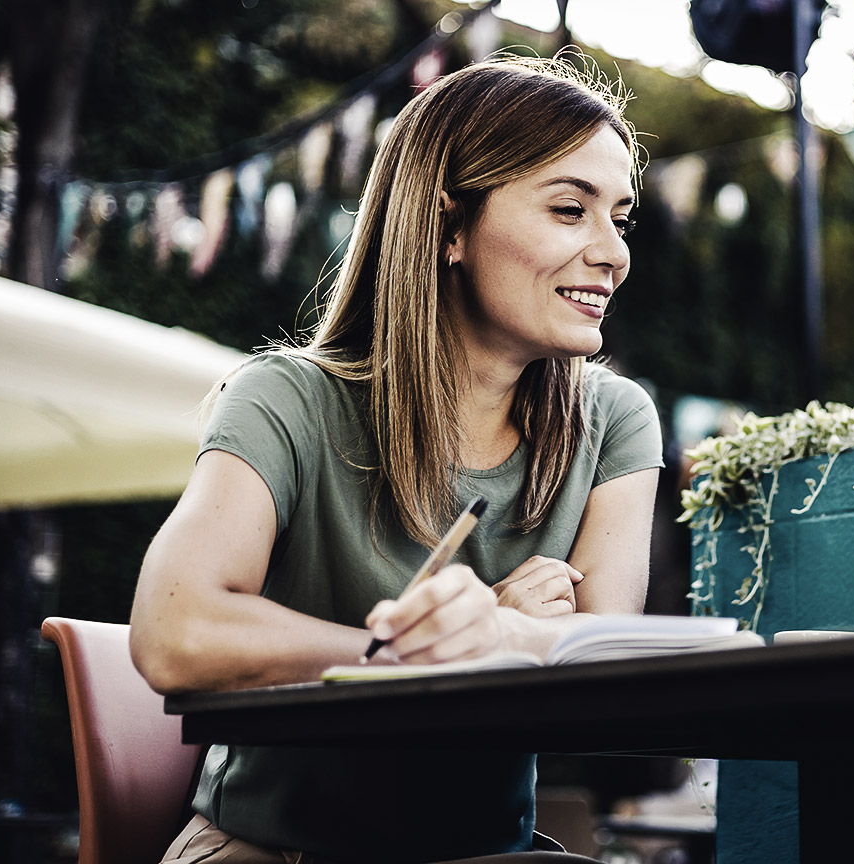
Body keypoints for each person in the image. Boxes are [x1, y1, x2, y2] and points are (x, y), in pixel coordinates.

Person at [129, 54, 663, 864]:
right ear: (449, 226)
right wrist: (434, 651)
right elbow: (176, 630)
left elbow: (600, 674)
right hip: (274, 849)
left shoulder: (615, 421)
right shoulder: (285, 399)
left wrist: (504, 637)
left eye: (619, 219)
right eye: (568, 209)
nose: (612, 253)